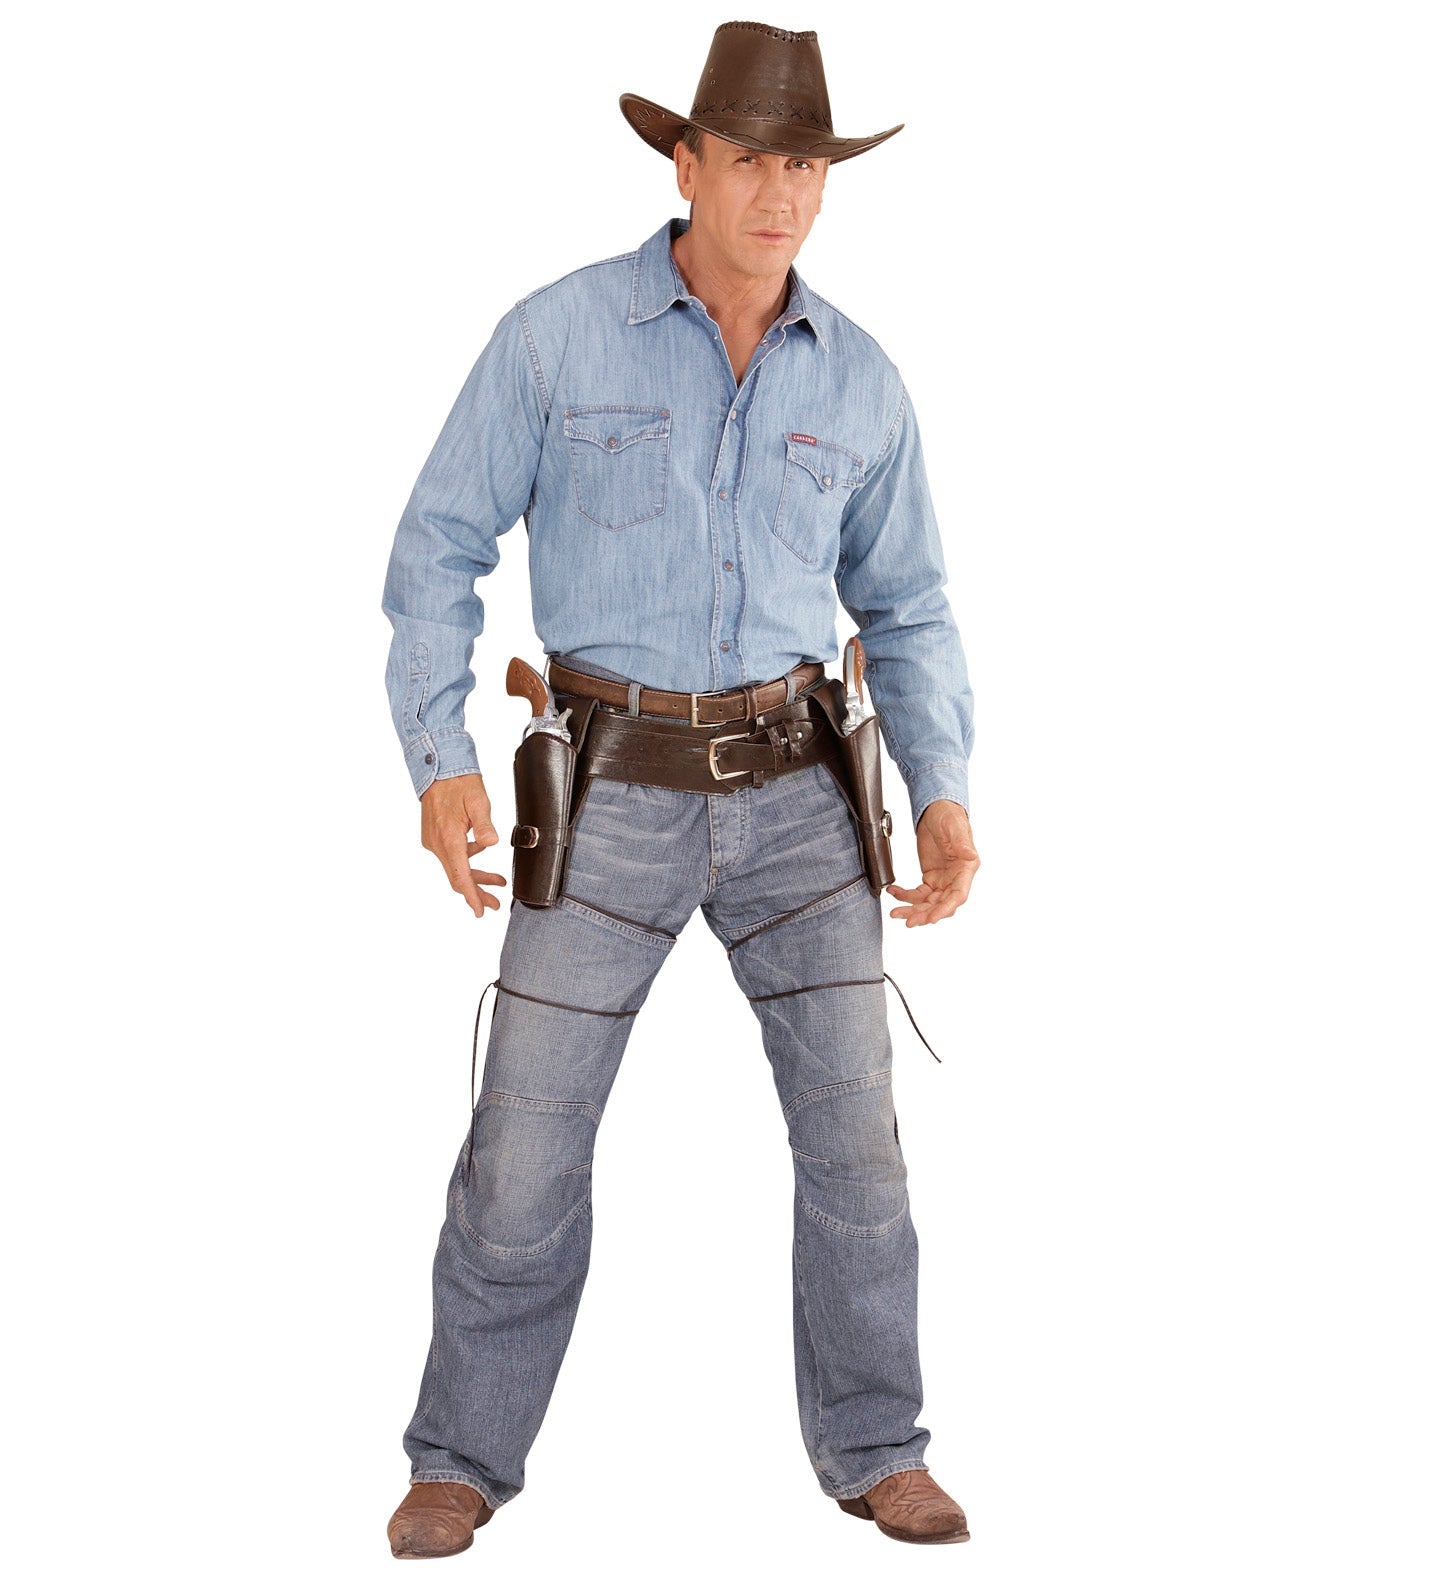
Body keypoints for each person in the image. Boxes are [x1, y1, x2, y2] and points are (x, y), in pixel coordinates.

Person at [380, 20, 980, 1558]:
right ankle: (461, 1458)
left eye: (806, 167)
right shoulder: (553, 337)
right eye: (750, 160)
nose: (779, 194)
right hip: (604, 795)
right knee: (522, 1145)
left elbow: (908, 607)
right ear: (686, 165)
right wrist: (439, 761)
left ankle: (877, 1450)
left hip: (803, 800)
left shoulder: (863, 381)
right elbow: (436, 551)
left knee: (858, 1149)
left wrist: (942, 793)